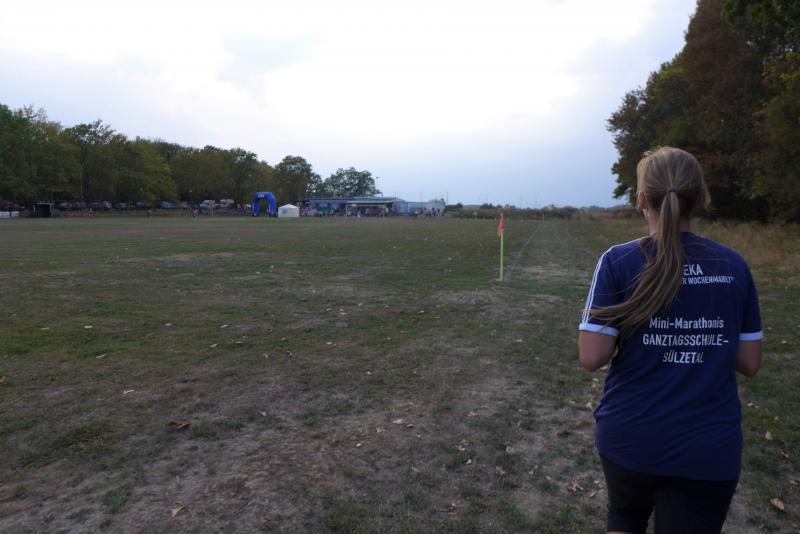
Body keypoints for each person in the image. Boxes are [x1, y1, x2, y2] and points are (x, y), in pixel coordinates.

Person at [578, 147, 763, 534]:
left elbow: (592, 356)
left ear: (642, 200)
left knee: (624, 518)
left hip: (631, 437)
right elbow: (750, 362)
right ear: (702, 198)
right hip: (708, 448)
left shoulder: (618, 261)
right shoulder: (732, 265)